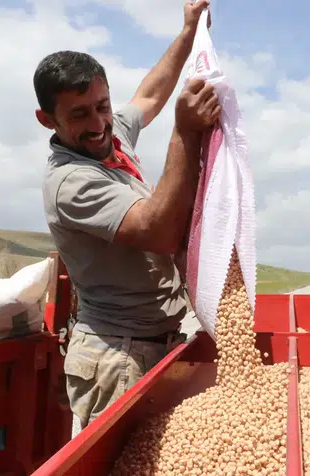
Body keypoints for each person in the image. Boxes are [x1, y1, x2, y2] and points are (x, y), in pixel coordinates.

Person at [34, 0, 219, 433]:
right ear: (47, 120)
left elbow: (151, 94)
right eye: (79, 115)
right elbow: (157, 231)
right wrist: (185, 132)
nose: (99, 124)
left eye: (102, 105)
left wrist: (189, 30)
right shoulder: (71, 182)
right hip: (117, 357)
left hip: (158, 340)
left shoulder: (108, 134)